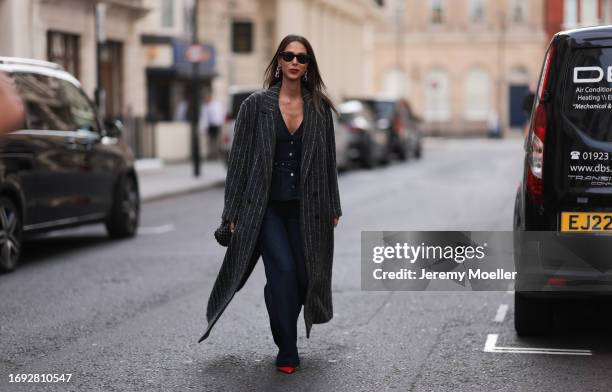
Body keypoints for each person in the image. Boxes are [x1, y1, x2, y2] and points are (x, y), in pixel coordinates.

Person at [199, 35, 342, 375]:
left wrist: (333, 205)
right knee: (284, 271)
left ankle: (277, 299)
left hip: (306, 207)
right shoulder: (255, 106)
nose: (295, 62)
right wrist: (230, 213)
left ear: (309, 66)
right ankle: (287, 350)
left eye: (302, 58)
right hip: (264, 209)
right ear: (278, 61)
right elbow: (239, 163)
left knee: (306, 278)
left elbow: (327, 162)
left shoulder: (319, 109)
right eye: (288, 56)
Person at [199, 94, 224, 160]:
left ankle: (216, 154)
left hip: (216, 124)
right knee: (210, 140)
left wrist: (220, 124)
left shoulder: (215, 105)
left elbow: (219, 114)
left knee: (216, 140)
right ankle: (211, 154)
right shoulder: (205, 106)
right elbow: (204, 117)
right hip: (210, 125)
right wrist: (204, 127)